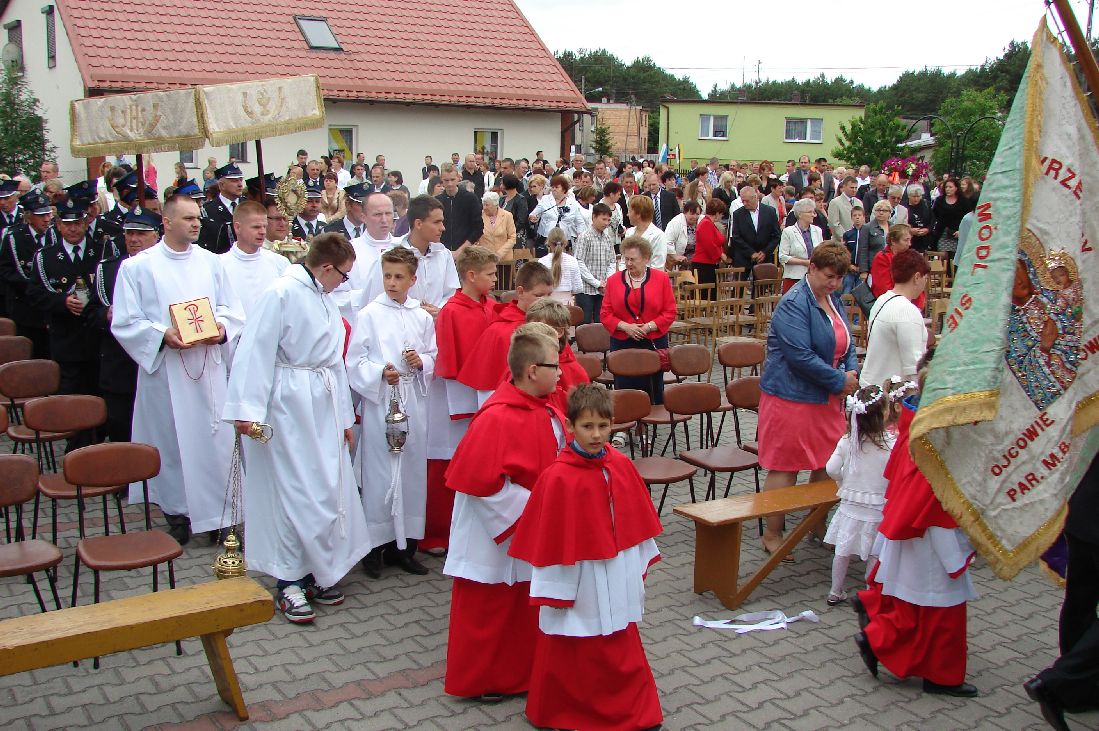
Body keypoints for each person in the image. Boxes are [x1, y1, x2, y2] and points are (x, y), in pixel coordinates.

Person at [223, 233, 370, 623]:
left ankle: (317, 570)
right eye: (343, 275)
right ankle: (288, 580)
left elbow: (333, 363)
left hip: (322, 403)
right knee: (291, 490)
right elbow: (254, 351)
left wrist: (345, 417)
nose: (344, 282)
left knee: (324, 488)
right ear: (326, 267)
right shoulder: (280, 294)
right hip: (287, 405)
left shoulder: (323, 298)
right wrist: (246, 410)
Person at [508, 384, 663, 730]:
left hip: (615, 567)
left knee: (618, 635)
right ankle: (561, 712)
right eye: (587, 426)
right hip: (577, 574)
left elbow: (634, 521)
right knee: (570, 639)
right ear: (570, 426)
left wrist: (633, 563)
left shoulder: (620, 465)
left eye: (603, 426)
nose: (596, 435)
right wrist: (554, 586)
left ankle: (632, 712)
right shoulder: (557, 476)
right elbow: (548, 539)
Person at [111, 195, 245, 545]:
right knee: (170, 443)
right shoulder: (137, 268)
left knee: (214, 444)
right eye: (187, 218)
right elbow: (125, 321)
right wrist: (161, 335)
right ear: (167, 222)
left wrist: (222, 328)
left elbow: (232, 309)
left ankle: (223, 515)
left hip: (207, 369)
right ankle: (177, 514)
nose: (196, 223)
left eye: (197, 217)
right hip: (166, 373)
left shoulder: (212, 262)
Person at [443, 322, 565, 701]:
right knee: (491, 605)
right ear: (532, 371)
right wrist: (534, 510)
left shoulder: (545, 407)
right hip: (493, 530)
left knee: (521, 603)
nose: (561, 374)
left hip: (528, 522)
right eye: (555, 366)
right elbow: (479, 482)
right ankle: (484, 680)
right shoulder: (497, 416)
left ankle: (520, 673)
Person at [854, 359, 980, 698]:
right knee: (940, 610)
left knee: (912, 604)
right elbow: (935, 499)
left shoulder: (918, 426)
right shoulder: (935, 440)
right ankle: (940, 675)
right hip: (929, 533)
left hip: (916, 530)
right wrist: (956, 553)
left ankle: (878, 637)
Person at [758, 243, 859, 555]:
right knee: (786, 467)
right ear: (812, 268)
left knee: (828, 464)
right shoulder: (794, 303)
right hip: (792, 398)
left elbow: (847, 341)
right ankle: (772, 533)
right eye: (829, 276)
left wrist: (851, 371)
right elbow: (799, 356)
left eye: (840, 278)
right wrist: (840, 381)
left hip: (826, 397)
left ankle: (816, 523)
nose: (835, 284)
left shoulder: (832, 299)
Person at [347, 247, 437, 579]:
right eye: (387, 276)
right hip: (382, 401)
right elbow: (354, 360)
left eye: (399, 277)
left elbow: (434, 354)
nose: (392, 282)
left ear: (413, 279)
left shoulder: (422, 317)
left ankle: (406, 548)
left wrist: (422, 362)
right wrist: (379, 372)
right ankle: (374, 548)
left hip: (413, 401)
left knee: (411, 472)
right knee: (379, 472)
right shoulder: (369, 314)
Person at [423, 245, 499, 554]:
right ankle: (436, 533)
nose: (495, 279)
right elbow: (448, 361)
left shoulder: (491, 306)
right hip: (452, 399)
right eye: (490, 274)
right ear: (470, 275)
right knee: (446, 462)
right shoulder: (451, 311)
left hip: (484, 397)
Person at [1024, 455, 1099, 730]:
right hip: (1087, 513)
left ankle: (1079, 691)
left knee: (1080, 601)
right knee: (1081, 600)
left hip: (1083, 510)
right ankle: (1057, 683)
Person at [28, 198, 106, 446]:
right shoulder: (45, 256)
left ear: (86, 223)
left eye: (78, 223)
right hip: (66, 339)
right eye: (67, 224)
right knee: (72, 398)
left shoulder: (101, 251)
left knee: (98, 396)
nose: (73, 229)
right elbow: (35, 293)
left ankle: (96, 446)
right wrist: (62, 302)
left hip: (96, 339)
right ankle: (76, 449)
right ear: (59, 225)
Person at [86, 206, 160, 443]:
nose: (134, 239)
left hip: (158, 362)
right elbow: (91, 313)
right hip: (120, 364)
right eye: (129, 233)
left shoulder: (166, 268)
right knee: (122, 431)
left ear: (156, 235)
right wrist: (106, 315)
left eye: (141, 233)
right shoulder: (108, 269)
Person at [823, 385, 894, 605]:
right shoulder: (892, 444)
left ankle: (835, 590)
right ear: (884, 414)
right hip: (879, 506)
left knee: (842, 550)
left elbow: (831, 468)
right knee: (874, 552)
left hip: (850, 505)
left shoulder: (848, 441)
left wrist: (843, 480)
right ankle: (870, 592)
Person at [458, 262, 555, 400]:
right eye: (539, 295)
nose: (546, 301)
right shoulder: (499, 331)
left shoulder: (550, 324)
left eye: (549, 295)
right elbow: (488, 387)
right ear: (520, 292)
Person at [600, 236, 677, 406]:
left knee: (653, 389)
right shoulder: (613, 281)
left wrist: (649, 327)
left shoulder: (661, 279)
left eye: (633, 259)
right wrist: (626, 327)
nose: (628, 263)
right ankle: (626, 420)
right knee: (625, 390)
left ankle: (652, 419)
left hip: (653, 343)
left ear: (646, 258)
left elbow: (670, 311)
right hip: (623, 343)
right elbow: (605, 314)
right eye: (626, 259)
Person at [860, 250, 929, 388]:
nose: (925, 283)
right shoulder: (907, 311)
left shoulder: (882, 300)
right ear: (917, 277)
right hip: (889, 393)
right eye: (925, 278)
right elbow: (914, 368)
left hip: (871, 386)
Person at [0, 191, 54, 358]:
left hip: (52, 307)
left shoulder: (55, 235)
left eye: (48, 214)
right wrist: (32, 285)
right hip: (26, 308)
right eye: (41, 215)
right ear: (28, 216)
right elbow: (5, 270)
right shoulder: (14, 238)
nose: (46, 219)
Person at [220, 201, 289, 319]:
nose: (262, 232)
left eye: (264, 226)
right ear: (237, 227)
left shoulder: (280, 263)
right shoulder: (220, 265)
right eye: (256, 227)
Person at [524, 298, 589, 415]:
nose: (531, 333)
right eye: (530, 327)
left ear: (559, 331)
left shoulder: (574, 371)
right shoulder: (523, 363)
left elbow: (582, 414)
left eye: (540, 327)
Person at [402, 195, 460, 316]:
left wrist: (441, 310)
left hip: (436, 324)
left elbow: (452, 294)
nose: (442, 228)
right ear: (418, 224)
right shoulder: (392, 256)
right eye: (436, 222)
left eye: (442, 222)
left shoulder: (444, 255)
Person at [571, 202, 616, 324]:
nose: (606, 223)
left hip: (603, 289)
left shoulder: (608, 239)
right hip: (586, 289)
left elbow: (612, 262)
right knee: (584, 322)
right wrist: (596, 283)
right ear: (594, 217)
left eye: (608, 220)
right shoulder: (584, 237)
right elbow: (579, 262)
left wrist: (607, 282)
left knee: (601, 322)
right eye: (603, 219)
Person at [870, 224, 927, 311]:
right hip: (890, 306)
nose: (909, 244)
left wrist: (918, 307)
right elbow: (882, 289)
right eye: (906, 240)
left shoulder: (910, 257)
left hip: (911, 306)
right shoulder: (882, 258)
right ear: (893, 241)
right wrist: (904, 306)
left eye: (910, 240)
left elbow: (918, 283)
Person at [730, 185, 782, 272]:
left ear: (755, 198)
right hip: (744, 259)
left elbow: (776, 235)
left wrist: (765, 252)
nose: (744, 203)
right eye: (743, 201)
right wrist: (751, 253)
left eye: (747, 201)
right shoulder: (738, 214)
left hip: (765, 259)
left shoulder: (770, 212)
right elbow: (736, 237)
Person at [779, 198, 825, 294]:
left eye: (814, 212)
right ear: (800, 214)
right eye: (810, 212)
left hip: (814, 278)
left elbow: (822, 253)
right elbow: (782, 257)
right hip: (794, 278)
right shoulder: (788, 232)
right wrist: (804, 262)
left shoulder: (818, 230)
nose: (813, 215)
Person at [538, 228, 592, 306]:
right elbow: (578, 288)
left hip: (548, 305)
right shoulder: (572, 261)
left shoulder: (542, 261)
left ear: (548, 243)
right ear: (565, 243)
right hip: (567, 305)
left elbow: (539, 287)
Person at [198, 163, 244, 254]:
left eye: (241, 180)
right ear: (221, 185)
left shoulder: (249, 206)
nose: (240, 185)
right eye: (234, 181)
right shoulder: (208, 209)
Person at [437, 163, 484, 252]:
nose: (450, 184)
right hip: (442, 251)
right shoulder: (437, 201)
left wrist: (460, 251)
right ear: (441, 180)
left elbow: (478, 228)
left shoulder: (470, 198)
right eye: (446, 180)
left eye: (452, 179)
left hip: (466, 252)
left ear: (458, 178)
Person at [624, 195, 669, 270]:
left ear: (638, 214)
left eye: (630, 211)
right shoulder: (629, 232)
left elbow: (658, 267)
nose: (627, 215)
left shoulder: (658, 236)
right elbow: (623, 261)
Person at [692, 198, 727, 294]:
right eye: (721, 214)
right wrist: (721, 254)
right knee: (705, 295)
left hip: (709, 264)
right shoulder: (706, 223)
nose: (722, 216)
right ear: (717, 213)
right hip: (703, 266)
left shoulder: (709, 223)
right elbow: (709, 244)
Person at [931, 178, 971, 261]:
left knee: (954, 258)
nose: (948, 189)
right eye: (946, 187)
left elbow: (968, 218)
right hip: (942, 233)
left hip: (957, 234)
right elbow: (934, 215)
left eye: (950, 187)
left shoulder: (964, 201)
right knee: (943, 256)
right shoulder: (939, 200)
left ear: (956, 188)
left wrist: (961, 231)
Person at [477, 191, 516, 263]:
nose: (484, 207)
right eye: (483, 205)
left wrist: (499, 254)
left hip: (504, 259)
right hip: (485, 260)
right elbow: (475, 238)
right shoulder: (479, 216)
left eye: (487, 205)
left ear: (495, 205)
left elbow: (512, 238)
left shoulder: (507, 216)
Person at [841, 206, 870, 293]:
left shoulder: (868, 233)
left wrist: (864, 267)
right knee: (847, 289)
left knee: (860, 291)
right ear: (851, 218)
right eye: (855, 215)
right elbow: (844, 251)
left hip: (863, 269)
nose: (857, 217)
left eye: (859, 215)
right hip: (850, 268)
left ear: (864, 217)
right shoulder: (847, 234)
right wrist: (849, 265)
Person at [827, 176, 862, 243]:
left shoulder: (859, 202)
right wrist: (846, 237)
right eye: (851, 187)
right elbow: (834, 224)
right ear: (844, 187)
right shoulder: (835, 202)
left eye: (856, 188)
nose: (854, 190)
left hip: (857, 241)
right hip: (841, 242)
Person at [904, 185, 934, 252]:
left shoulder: (926, 204)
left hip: (924, 240)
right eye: (914, 196)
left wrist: (928, 229)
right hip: (910, 240)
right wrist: (909, 230)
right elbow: (900, 223)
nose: (916, 199)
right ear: (909, 196)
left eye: (918, 196)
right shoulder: (903, 206)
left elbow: (933, 220)